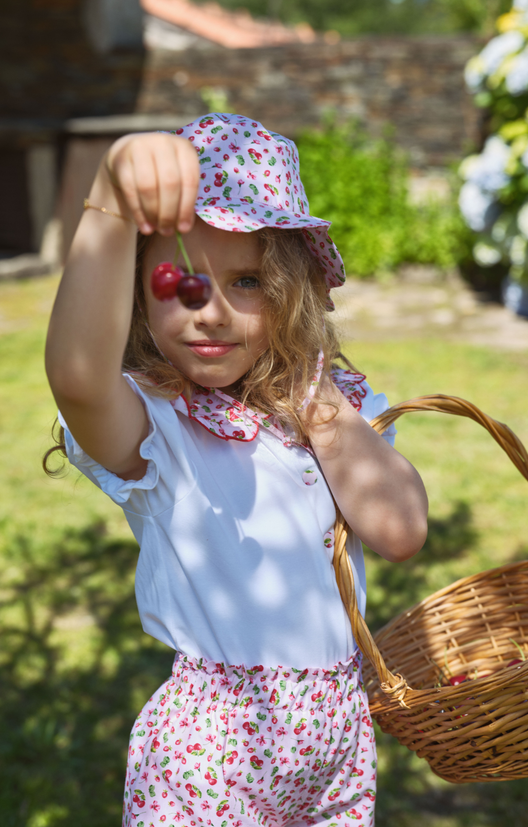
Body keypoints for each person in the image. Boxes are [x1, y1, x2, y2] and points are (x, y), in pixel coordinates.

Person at [45, 113, 428, 827]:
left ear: (291, 290)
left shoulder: (331, 414)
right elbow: (76, 376)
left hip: (337, 744)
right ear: (136, 293)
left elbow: (400, 529)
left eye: (248, 281)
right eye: (176, 279)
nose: (209, 311)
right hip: (212, 755)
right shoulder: (160, 425)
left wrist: (314, 401)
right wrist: (107, 199)